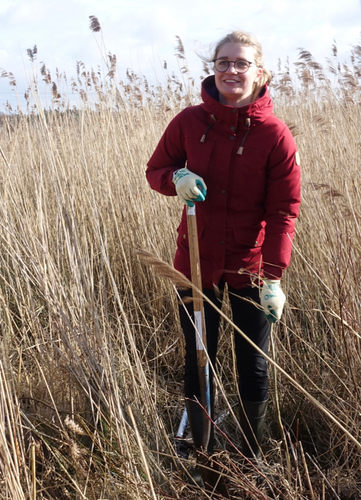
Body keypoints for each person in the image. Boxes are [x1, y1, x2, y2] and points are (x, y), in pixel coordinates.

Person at [146, 31, 301, 470]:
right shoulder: (189, 123)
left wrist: (273, 278)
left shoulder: (275, 135)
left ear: (260, 72)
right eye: (223, 62)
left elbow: (284, 211)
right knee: (199, 358)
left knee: (252, 362)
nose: (231, 70)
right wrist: (174, 176)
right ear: (213, 68)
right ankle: (203, 451)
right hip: (195, 263)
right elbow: (155, 170)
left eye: (241, 63)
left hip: (250, 266)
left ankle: (254, 456)